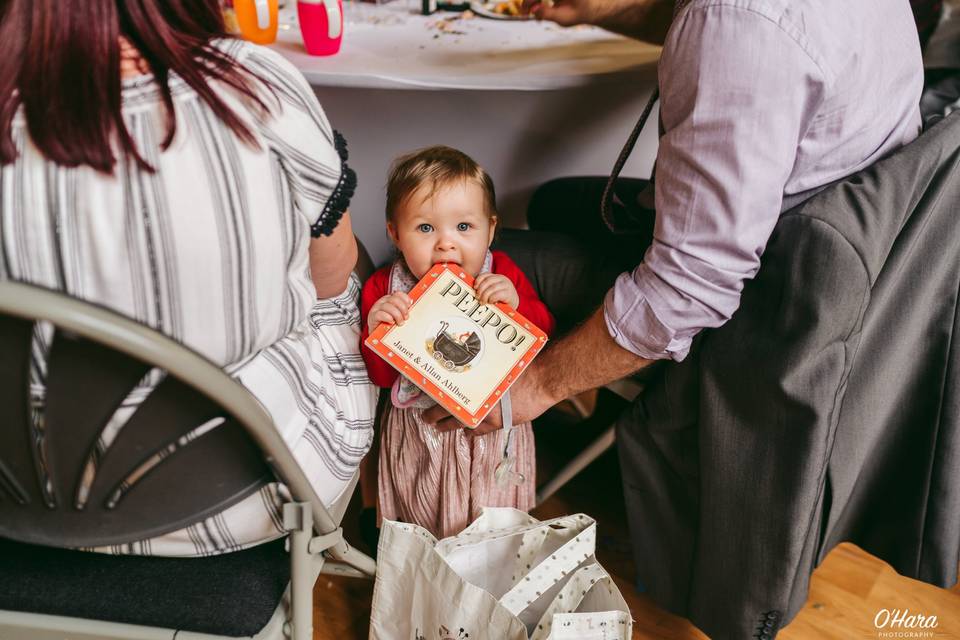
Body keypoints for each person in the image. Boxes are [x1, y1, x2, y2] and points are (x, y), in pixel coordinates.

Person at [427, 0, 925, 431]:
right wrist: (611, 10)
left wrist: (537, 386)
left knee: (445, 264)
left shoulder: (736, 26)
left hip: (768, 310)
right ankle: (612, 425)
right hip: (862, 275)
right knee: (554, 202)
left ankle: (433, 474)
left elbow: (690, 286)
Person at [0, 0, 376, 555]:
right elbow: (331, 278)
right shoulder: (255, 85)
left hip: (21, 491)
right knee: (359, 286)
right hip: (248, 494)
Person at [359, 146, 555, 538]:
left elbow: (541, 335)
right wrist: (376, 330)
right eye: (426, 228)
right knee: (420, 523)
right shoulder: (386, 288)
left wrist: (516, 308)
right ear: (396, 234)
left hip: (493, 432)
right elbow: (380, 378)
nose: (446, 244)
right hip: (420, 436)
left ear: (491, 229)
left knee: (494, 524)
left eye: (464, 227)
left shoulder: (501, 275)